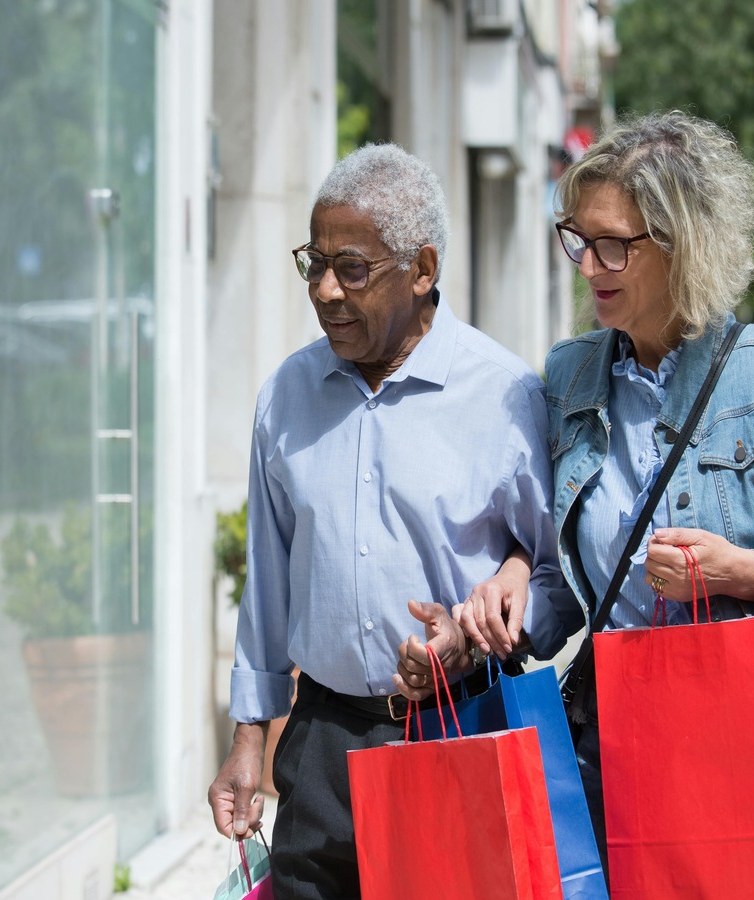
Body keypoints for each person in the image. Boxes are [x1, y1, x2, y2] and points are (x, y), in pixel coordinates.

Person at [448, 110, 754, 898]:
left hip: (743, 743)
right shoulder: (571, 376)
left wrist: (746, 570)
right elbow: (567, 580)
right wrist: (515, 590)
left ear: (681, 242)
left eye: (613, 244)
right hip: (607, 742)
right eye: (578, 240)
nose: (589, 266)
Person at [206, 142, 575, 900]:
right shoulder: (287, 394)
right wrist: (249, 740)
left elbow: (558, 575)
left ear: (423, 269)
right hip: (320, 746)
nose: (325, 291)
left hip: (460, 732)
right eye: (314, 262)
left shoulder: (504, 394)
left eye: (351, 268)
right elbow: (268, 581)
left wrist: (473, 638)